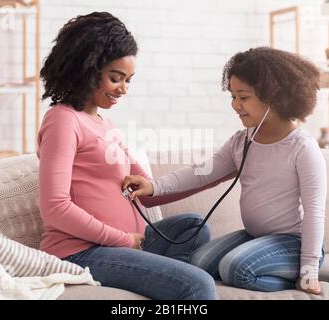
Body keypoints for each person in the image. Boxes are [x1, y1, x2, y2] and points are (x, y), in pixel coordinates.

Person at [37, 12, 217, 300]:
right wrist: (122, 240)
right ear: (86, 69)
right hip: (81, 252)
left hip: (126, 245)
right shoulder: (62, 120)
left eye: (128, 80)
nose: (123, 89)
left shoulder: (105, 125)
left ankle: (162, 282)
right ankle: (174, 282)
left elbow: (146, 193)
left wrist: (215, 175)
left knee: (193, 227)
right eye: (115, 78)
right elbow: (55, 208)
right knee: (198, 285)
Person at [122, 47, 327, 294]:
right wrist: (154, 186)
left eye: (243, 97)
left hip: (293, 243)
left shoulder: (302, 147)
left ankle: (291, 279)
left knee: (234, 268)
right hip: (255, 237)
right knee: (199, 263)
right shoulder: (242, 142)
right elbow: (201, 172)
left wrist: (309, 269)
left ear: (274, 96)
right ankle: (257, 266)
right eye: (233, 96)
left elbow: (315, 212)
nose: (235, 105)